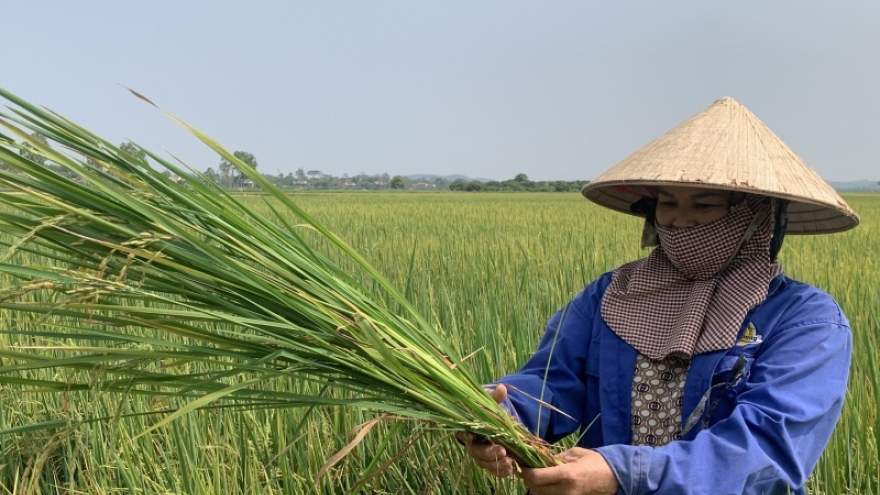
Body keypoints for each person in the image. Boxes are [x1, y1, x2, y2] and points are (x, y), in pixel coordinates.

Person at [459, 97, 859, 495]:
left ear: (757, 217)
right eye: (667, 203)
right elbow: (554, 379)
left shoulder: (806, 321)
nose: (679, 221)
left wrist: (622, 473)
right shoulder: (613, 294)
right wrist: (500, 415)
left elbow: (765, 449)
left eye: (704, 204)